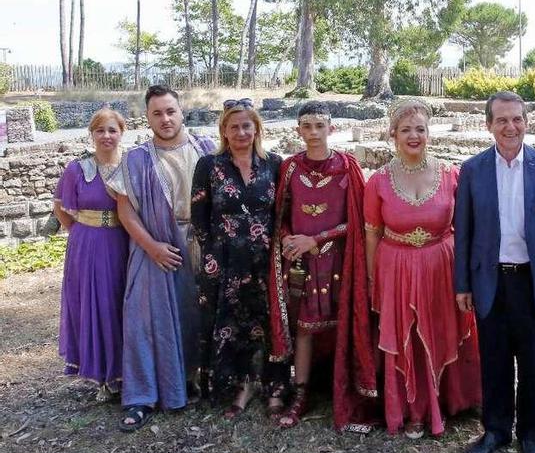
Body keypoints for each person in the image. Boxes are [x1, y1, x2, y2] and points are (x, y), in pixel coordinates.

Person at [454, 91, 535, 453]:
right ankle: (496, 431)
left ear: (526, 122)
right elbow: (464, 232)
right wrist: (463, 284)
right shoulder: (472, 170)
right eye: (502, 120)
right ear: (489, 125)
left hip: (533, 282)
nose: (510, 126)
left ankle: (532, 434)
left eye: (517, 119)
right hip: (490, 282)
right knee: (495, 361)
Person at [364, 99, 481, 438]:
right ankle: (413, 409)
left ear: (429, 133)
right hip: (395, 266)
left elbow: (466, 227)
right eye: (405, 130)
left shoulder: (451, 175)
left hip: (441, 265)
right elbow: (371, 234)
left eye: (420, 129)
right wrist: (375, 279)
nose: (413, 135)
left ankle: (450, 401)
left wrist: (466, 275)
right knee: (407, 337)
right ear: (393, 135)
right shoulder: (378, 181)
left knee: (442, 329)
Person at [106, 85, 215, 432]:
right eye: (157, 113)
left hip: (197, 245)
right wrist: (152, 246)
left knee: (190, 318)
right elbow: (126, 212)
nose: (165, 119)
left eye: (170, 111)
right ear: (148, 117)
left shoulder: (206, 149)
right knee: (144, 322)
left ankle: (187, 382)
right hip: (153, 249)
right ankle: (142, 396)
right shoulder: (136, 159)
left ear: (181, 112)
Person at [266, 101, 377, 432]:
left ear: (332, 127)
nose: (313, 133)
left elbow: (356, 220)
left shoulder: (347, 166)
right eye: (306, 126)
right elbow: (281, 217)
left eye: (319, 125)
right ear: (298, 130)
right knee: (304, 327)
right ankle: (300, 392)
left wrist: (318, 237)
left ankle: (341, 385)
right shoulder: (289, 168)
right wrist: (288, 238)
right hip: (301, 263)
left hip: (340, 260)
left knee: (341, 323)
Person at [191, 99, 282, 419]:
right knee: (229, 324)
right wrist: (214, 256)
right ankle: (237, 387)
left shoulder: (274, 163)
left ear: (257, 128)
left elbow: (281, 214)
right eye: (234, 127)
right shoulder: (208, 165)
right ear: (224, 131)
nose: (241, 132)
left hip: (265, 260)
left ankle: (272, 387)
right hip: (224, 262)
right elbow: (199, 216)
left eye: (247, 125)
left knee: (266, 323)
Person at [53, 108, 129, 402]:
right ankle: (104, 376)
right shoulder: (77, 169)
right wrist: (83, 232)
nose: (106, 136)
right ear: (92, 134)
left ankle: (128, 371)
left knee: (122, 303)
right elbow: (59, 207)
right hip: (87, 244)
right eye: (100, 131)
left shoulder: (131, 165)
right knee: (96, 305)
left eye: (112, 130)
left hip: (124, 241)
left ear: (122, 132)